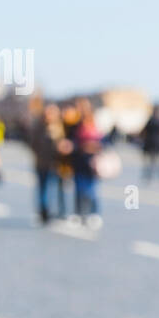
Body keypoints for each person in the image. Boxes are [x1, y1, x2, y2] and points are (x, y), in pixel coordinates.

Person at [30, 103, 70, 224]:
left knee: (58, 188)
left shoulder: (61, 127)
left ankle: (60, 211)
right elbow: (33, 143)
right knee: (43, 188)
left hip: (57, 164)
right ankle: (44, 211)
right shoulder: (39, 127)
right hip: (42, 163)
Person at [70, 98, 103, 228]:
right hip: (78, 160)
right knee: (78, 189)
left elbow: (103, 141)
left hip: (91, 161)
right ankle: (79, 214)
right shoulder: (75, 124)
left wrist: (94, 146)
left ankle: (94, 213)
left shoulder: (94, 124)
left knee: (91, 190)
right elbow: (72, 140)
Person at [137, 105, 159, 183]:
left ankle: (152, 175)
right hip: (158, 144)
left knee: (154, 161)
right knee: (158, 161)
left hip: (154, 144)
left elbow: (143, 132)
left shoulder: (152, 121)